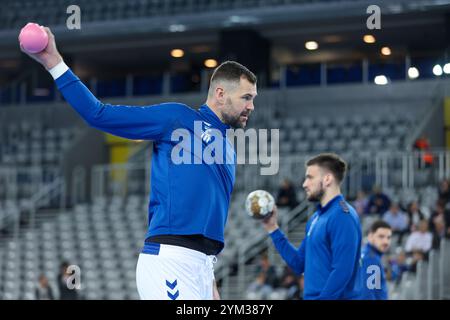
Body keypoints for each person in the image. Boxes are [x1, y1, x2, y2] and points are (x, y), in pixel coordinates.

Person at [21, 27, 257, 300]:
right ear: (219, 93)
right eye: (246, 97)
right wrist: (54, 62)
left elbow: (206, 214)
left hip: (202, 266)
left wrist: (209, 279)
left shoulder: (227, 147)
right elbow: (98, 114)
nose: (251, 106)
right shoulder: (177, 118)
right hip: (170, 260)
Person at [260, 153, 362, 300]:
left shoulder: (343, 216)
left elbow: (342, 271)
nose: (304, 184)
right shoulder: (316, 218)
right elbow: (298, 264)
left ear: (327, 179)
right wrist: (273, 228)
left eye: (310, 177)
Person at [360, 220, 392, 300]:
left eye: (388, 237)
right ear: (370, 236)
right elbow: (368, 294)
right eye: (381, 236)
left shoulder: (364, 253)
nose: (386, 241)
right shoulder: (371, 259)